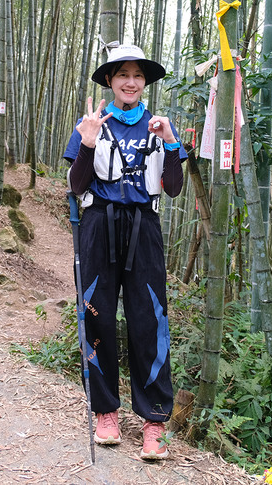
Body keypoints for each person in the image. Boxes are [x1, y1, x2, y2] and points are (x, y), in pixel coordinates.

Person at [63, 44, 187, 460]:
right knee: (96, 313)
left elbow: (173, 188)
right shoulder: (91, 123)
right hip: (99, 224)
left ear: (144, 82)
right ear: (110, 81)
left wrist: (171, 144)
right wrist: (87, 142)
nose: (130, 82)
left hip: (143, 227)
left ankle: (154, 420)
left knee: (149, 319)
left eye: (137, 75)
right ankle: (106, 412)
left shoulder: (160, 126)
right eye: (122, 75)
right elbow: (76, 185)